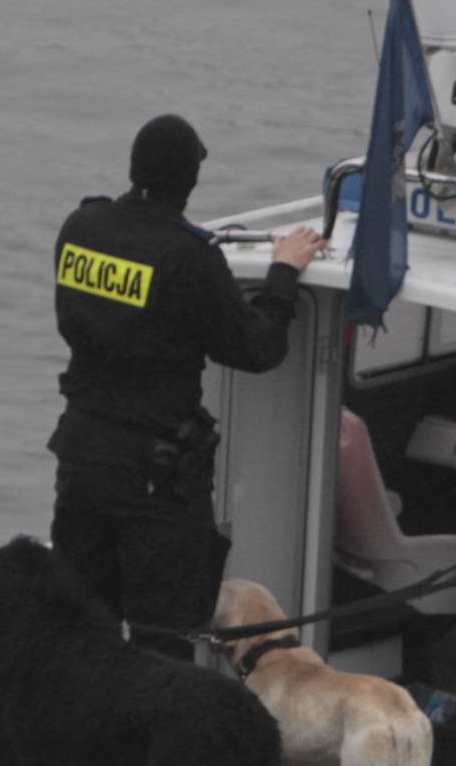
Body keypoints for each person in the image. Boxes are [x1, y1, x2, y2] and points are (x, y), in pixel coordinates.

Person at [47, 114, 325, 654]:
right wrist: (283, 273)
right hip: (153, 480)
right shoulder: (189, 257)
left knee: (80, 631)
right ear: (189, 181)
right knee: (163, 641)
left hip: (80, 458)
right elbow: (257, 347)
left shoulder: (80, 227)